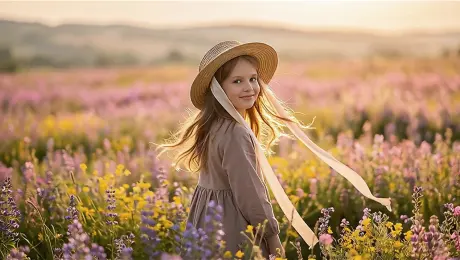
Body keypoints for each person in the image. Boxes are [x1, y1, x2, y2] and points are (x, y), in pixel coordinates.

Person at [155, 40, 392, 259]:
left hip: (206, 219)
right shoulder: (236, 133)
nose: (249, 87)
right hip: (231, 223)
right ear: (218, 90)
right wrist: (271, 235)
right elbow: (250, 193)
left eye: (253, 78)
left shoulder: (214, 125)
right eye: (237, 81)